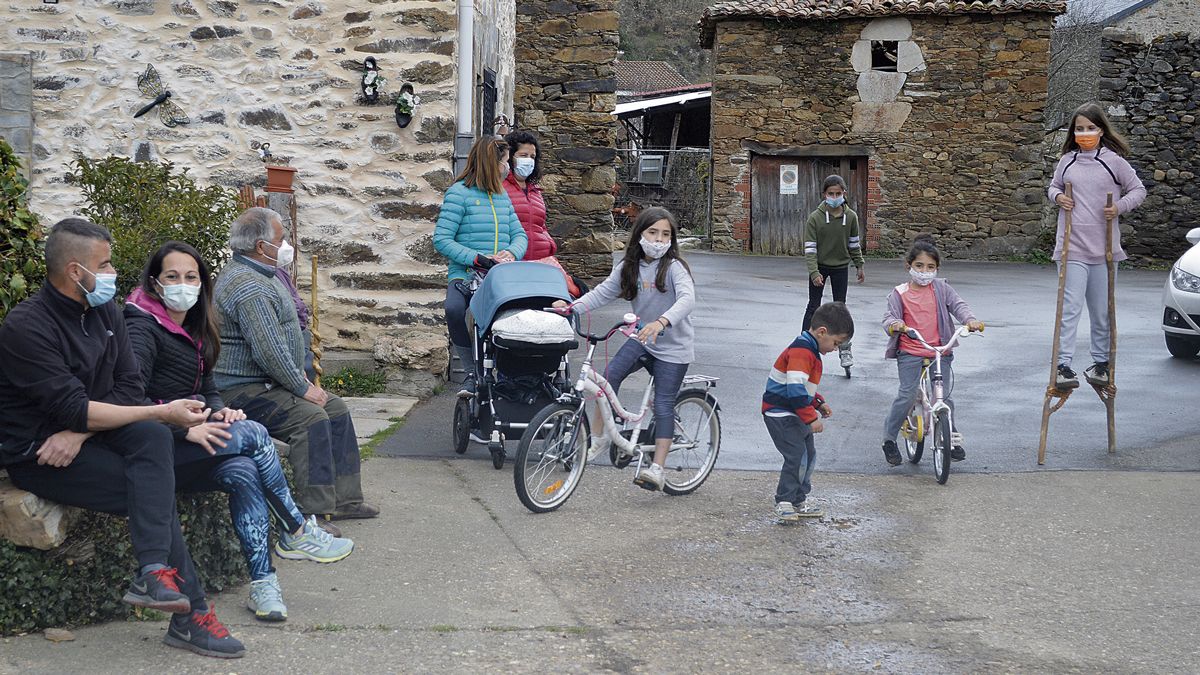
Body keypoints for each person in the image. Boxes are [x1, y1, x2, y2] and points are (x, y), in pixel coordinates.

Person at [0, 218, 245, 658]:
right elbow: (80, 404)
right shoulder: (26, 327)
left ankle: (152, 570)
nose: (113, 272)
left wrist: (79, 429)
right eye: (106, 263)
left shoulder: (106, 312)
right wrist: (152, 412)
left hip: (83, 437)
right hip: (40, 453)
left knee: (151, 438)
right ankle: (190, 615)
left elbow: (129, 386)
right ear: (76, 271)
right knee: (151, 484)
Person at [125, 241, 354, 623]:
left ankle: (264, 585)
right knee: (253, 434)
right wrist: (183, 430)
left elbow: (208, 386)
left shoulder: (195, 326)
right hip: (155, 446)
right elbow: (130, 399)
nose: (183, 284)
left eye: (191, 277)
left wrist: (218, 411)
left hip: (192, 439)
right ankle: (295, 529)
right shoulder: (141, 327)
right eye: (172, 277)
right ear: (155, 282)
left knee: (243, 472)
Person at [213, 207, 379, 523]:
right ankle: (310, 514)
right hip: (242, 392)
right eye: (282, 238)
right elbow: (269, 351)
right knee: (310, 418)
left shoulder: (264, 274)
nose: (286, 244)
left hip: (268, 384)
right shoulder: (248, 286)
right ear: (261, 247)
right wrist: (302, 387)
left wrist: (300, 383)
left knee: (337, 409)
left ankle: (345, 500)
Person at [554, 206, 695, 492]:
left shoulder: (675, 268)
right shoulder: (629, 267)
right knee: (606, 379)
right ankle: (599, 438)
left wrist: (662, 321)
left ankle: (657, 468)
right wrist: (570, 308)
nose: (658, 240)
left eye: (665, 235)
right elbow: (602, 293)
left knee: (664, 404)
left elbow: (687, 299)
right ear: (639, 234)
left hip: (673, 347)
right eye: (652, 233)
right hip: (642, 339)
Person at [1047, 102, 1146, 390]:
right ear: (1073, 132)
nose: (1085, 133)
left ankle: (1101, 364)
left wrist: (1119, 207)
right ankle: (1062, 365)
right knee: (1069, 309)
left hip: (1103, 249)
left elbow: (1138, 189)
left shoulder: (1113, 161)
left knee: (1102, 310)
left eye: (1090, 128)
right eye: (1079, 129)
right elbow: (1053, 186)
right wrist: (1057, 198)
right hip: (1071, 247)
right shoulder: (1067, 160)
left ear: (1101, 130)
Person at [433, 136, 528, 393]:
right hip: (466, 272)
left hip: (500, 275)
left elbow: (521, 235)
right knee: (454, 309)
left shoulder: (502, 195)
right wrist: (477, 258)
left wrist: (511, 252)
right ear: (492, 163)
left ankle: (507, 371)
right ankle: (471, 372)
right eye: (506, 161)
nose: (508, 167)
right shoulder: (459, 193)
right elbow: (441, 240)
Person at [880, 235, 984, 467]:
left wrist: (970, 320)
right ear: (909, 266)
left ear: (937, 269)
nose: (925, 271)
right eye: (919, 266)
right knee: (907, 394)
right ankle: (889, 439)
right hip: (911, 352)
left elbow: (958, 305)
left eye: (930, 267)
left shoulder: (942, 288)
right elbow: (889, 317)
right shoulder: (900, 293)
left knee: (944, 396)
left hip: (939, 351)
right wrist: (895, 325)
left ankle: (950, 438)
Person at [762, 301, 854, 522]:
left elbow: (801, 386)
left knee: (808, 456)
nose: (834, 349)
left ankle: (799, 499)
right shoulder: (802, 351)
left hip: (794, 411)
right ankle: (784, 500)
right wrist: (811, 417)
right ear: (822, 332)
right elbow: (794, 391)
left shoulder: (809, 348)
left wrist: (818, 402)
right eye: (836, 342)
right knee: (796, 457)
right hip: (781, 413)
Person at [802, 175, 865, 370]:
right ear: (824, 195)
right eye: (831, 193)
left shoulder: (851, 217)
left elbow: (854, 244)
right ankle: (804, 345)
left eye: (838, 193)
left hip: (840, 267)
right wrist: (814, 272)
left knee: (840, 308)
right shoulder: (815, 218)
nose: (835, 197)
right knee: (814, 305)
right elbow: (810, 249)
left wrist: (859, 265)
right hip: (820, 265)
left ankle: (844, 348)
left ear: (844, 194)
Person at [503, 130, 555, 261]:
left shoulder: (535, 191)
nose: (529, 160)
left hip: (540, 261)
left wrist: (549, 244)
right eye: (523, 155)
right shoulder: (499, 187)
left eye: (532, 157)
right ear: (509, 157)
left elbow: (540, 225)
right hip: (513, 261)